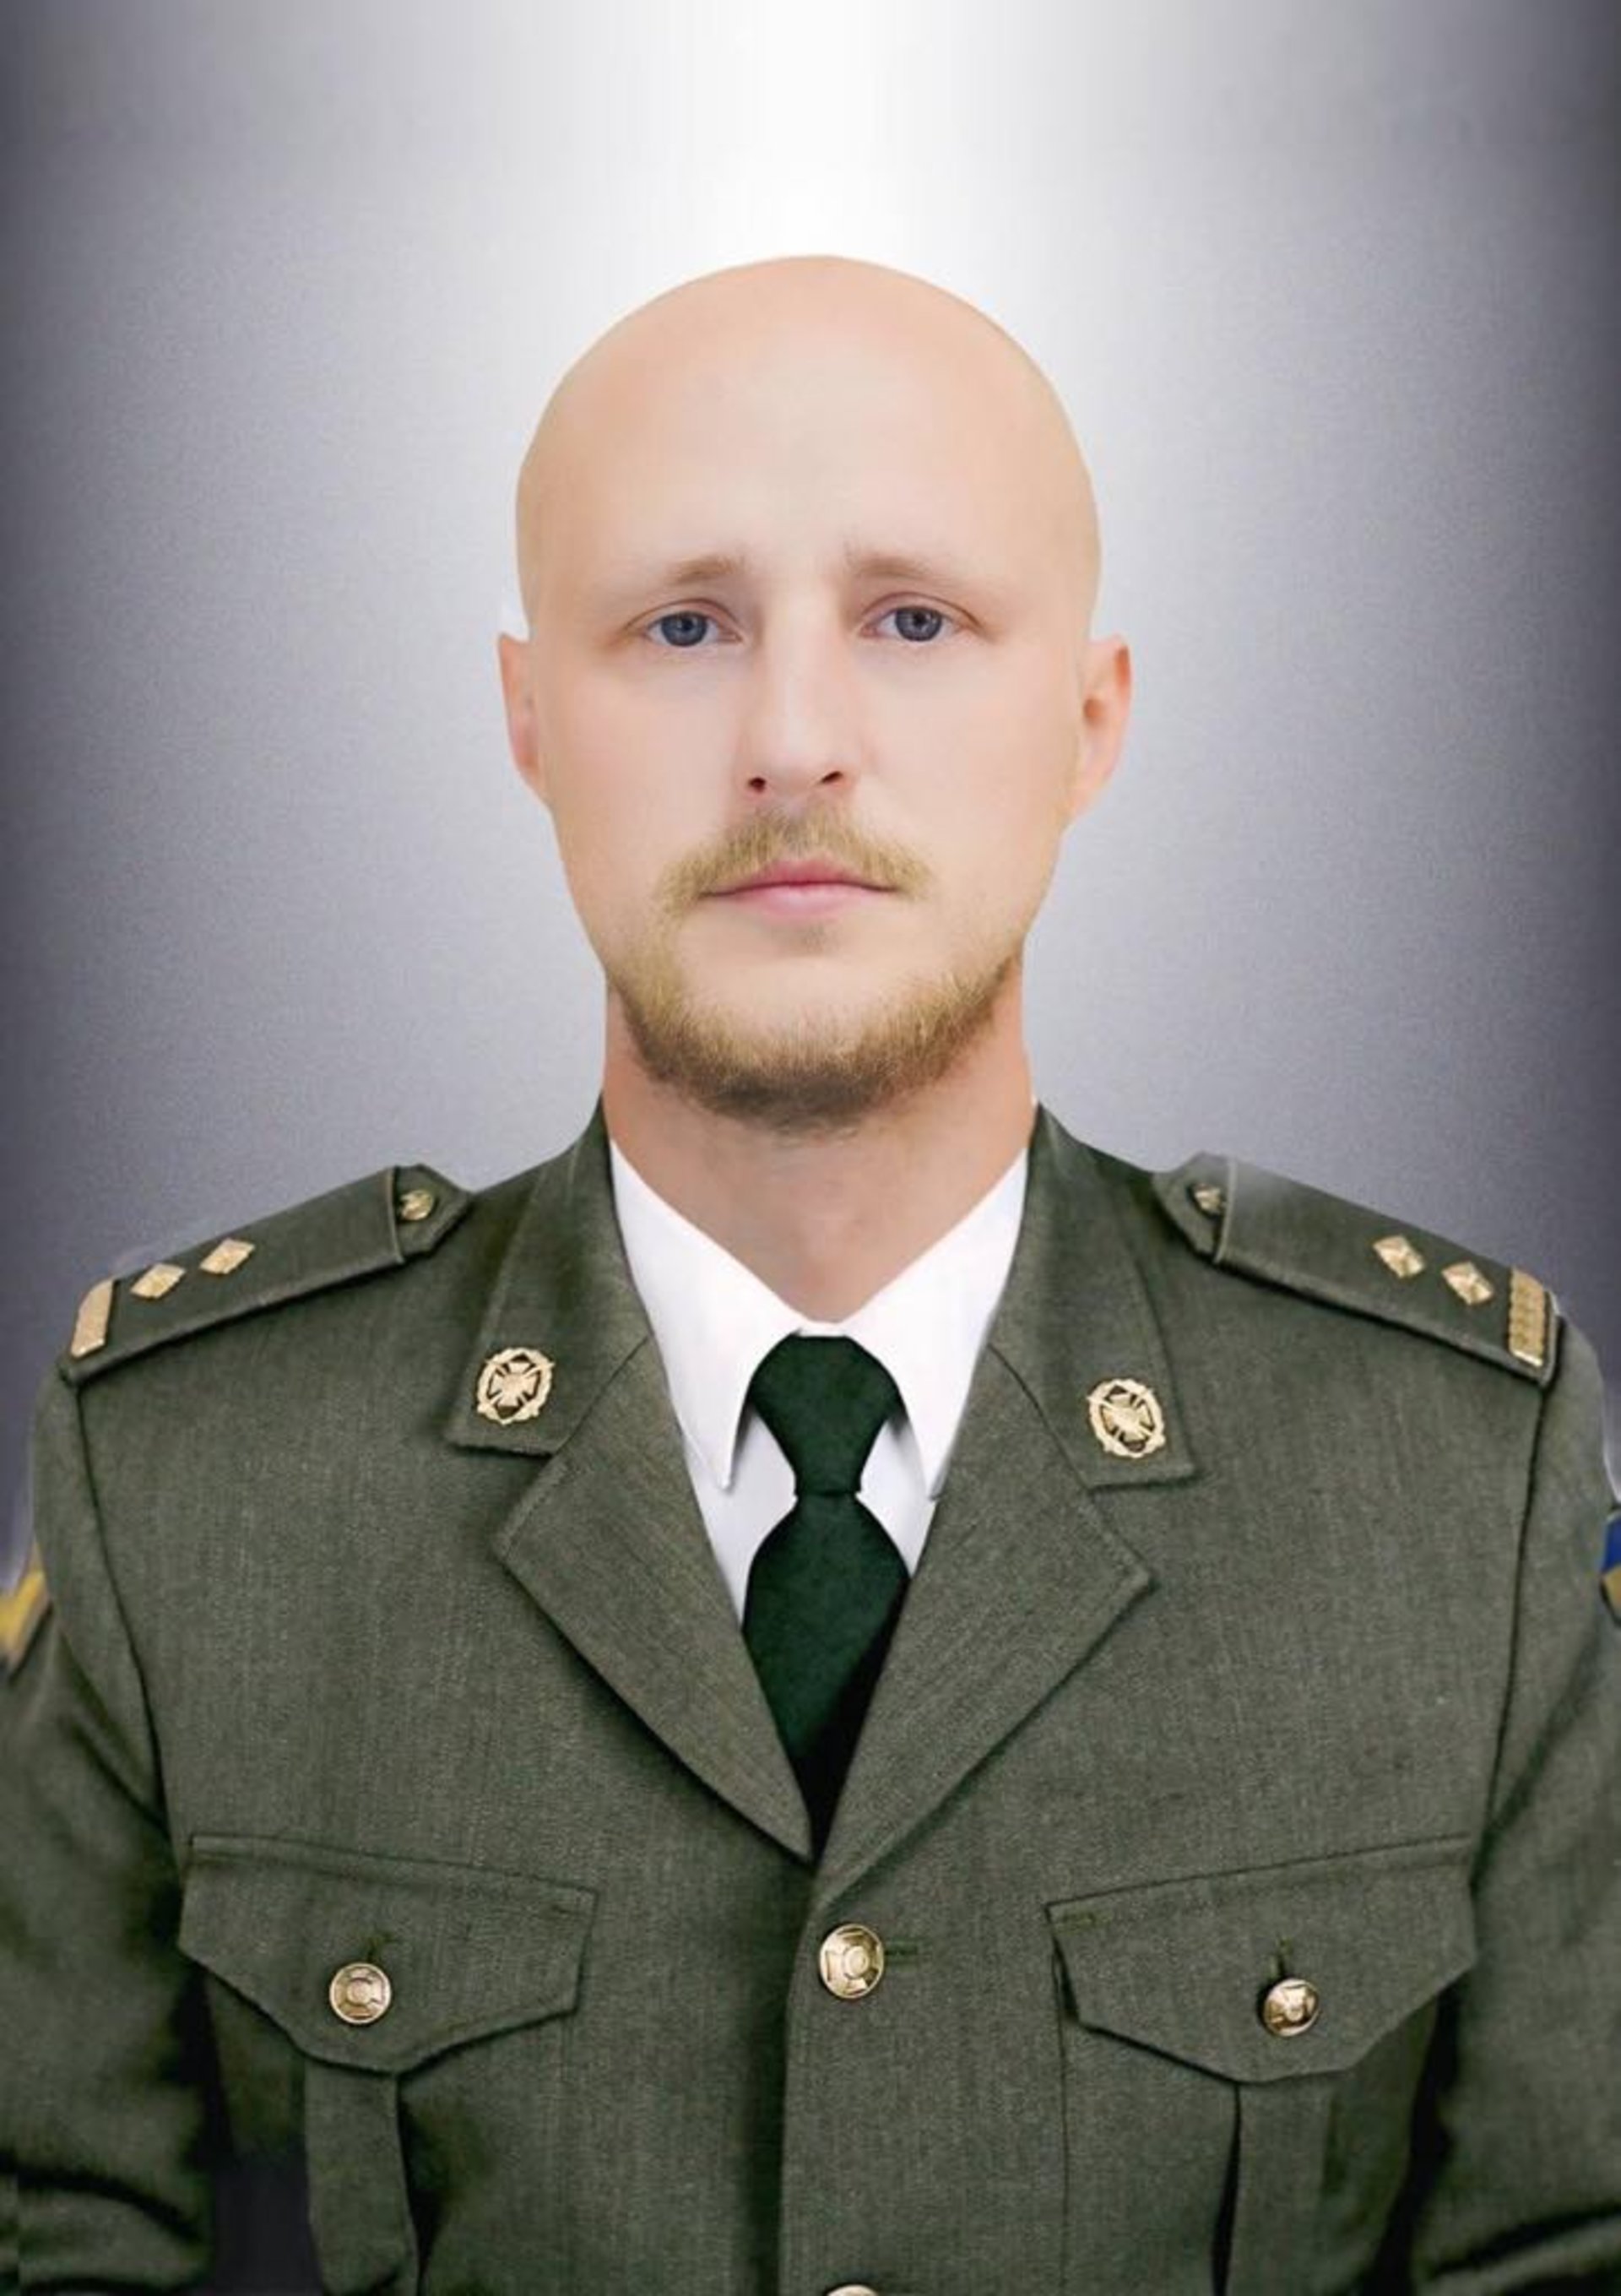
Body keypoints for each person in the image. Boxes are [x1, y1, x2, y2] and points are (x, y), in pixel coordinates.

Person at [1, 252, 1617, 2296]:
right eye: (682, 625)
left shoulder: (1443, 1477)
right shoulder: (200, 1480)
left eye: (912, 619)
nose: (791, 739)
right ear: (529, 718)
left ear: (1090, 721)